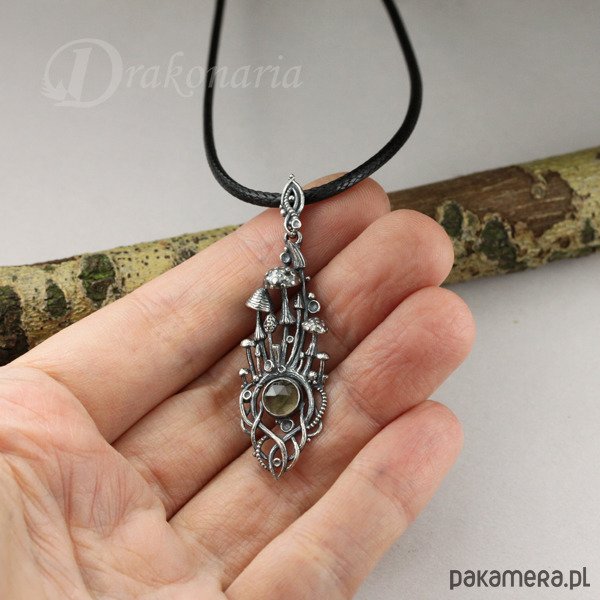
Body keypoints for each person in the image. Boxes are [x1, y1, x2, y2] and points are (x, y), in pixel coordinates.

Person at [0, 177, 475, 599]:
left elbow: (297, 332)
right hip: (278, 369)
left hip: (287, 369)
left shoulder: (296, 306)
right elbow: (269, 321)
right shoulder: (272, 296)